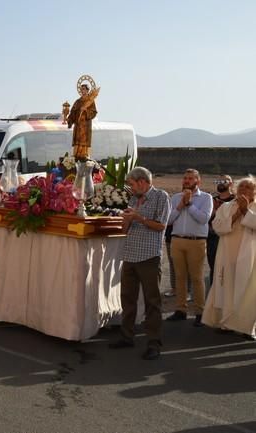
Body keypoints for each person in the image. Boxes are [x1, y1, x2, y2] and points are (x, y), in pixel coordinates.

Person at [109, 167, 170, 360]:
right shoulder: (134, 199)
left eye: (132, 184)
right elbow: (125, 229)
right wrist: (125, 220)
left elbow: (161, 226)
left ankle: (154, 343)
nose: (131, 188)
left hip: (149, 257)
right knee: (127, 298)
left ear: (143, 181)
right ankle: (127, 336)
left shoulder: (161, 196)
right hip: (130, 256)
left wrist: (139, 218)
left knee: (152, 301)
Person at [202, 176, 256, 339]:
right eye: (241, 188)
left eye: (248, 188)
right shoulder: (226, 207)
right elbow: (217, 227)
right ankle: (226, 324)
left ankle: (248, 327)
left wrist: (246, 210)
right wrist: (237, 213)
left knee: (249, 291)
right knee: (227, 288)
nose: (244, 191)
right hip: (227, 255)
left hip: (251, 256)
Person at [166, 169, 213, 326]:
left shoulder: (206, 198)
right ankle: (181, 310)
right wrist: (180, 205)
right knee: (180, 277)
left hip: (196, 242)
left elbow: (204, 219)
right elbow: (169, 220)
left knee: (197, 278)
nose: (186, 181)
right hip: (177, 240)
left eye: (190, 178)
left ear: (198, 181)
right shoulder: (175, 198)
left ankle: (200, 312)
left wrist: (190, 204)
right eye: (185, 178)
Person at [207, 175, 235, 284]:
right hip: (212, 237)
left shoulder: (236, 200)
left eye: (224, 181)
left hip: (229, 237)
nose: (220, 183)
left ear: (231, 184)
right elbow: (206, 218)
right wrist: (213, 212)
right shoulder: (211, 200)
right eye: (218, 181)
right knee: (213, 266)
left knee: (229, 267)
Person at [67, 83, 97, 160]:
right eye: (81, 89)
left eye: (84, 89)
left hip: (85, 128)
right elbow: (72, 112)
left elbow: (93, 112)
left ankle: (84, 156)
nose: (82, 91)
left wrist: (86, 110)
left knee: (84, 144)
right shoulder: (77, 102)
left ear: (87, 90)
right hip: (78, 127)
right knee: (77, 143)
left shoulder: (91, 101)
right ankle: (76, 157)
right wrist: (69, 119)